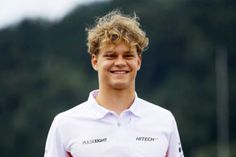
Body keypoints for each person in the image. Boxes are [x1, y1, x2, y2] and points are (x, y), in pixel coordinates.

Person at [44, 10, 184, 157]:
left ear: (138, 61)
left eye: (128, 55)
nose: (120, 62)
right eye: (110, 56)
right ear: (95, 61)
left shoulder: (164, 120)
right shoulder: (64, 124)